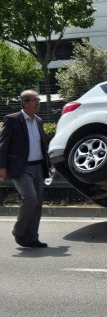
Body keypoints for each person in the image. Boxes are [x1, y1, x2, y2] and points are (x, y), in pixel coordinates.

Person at [0, 90, 52, 248]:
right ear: (24, 103)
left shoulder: (39, 121)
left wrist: (48, 165)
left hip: (38, 167)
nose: (37, 102)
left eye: (38, 99)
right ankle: (19, 232)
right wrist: (1, 166)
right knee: (30, 199)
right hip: (21, 169)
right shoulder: (12, 120)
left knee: (37, 204)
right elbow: (3, 145)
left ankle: (32, 238)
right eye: (34, 100)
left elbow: (42, 146)